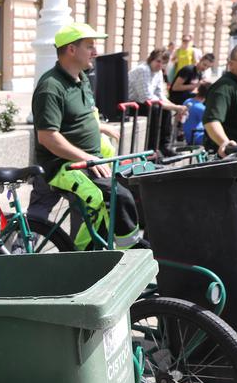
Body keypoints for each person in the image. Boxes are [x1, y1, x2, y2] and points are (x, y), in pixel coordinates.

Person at [30, 22, 141, 250]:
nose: (96, 51)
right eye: (90, 46)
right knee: (112, 198)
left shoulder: (82, 79)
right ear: (71, 49)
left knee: (136, 186)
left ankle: (104, 252)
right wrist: (88, 159)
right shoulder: (51, 86)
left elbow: (79, 116)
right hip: (62, 165)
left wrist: (100, 126)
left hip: (89, 160)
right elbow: (48, 137)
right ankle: (84, 259)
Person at [128, 48, 187, 154]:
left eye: (163, 63)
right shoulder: (143, 70)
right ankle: (151, 149)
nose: (160, 65)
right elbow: (147, 98)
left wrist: (177, 107)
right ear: (151, 59)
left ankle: (164, 146)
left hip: (145, 102)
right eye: (158, 61)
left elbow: (160, 95)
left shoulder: (158, 72)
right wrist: (175, 107)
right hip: (132, 104)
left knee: (165, 110)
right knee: (156, 109)